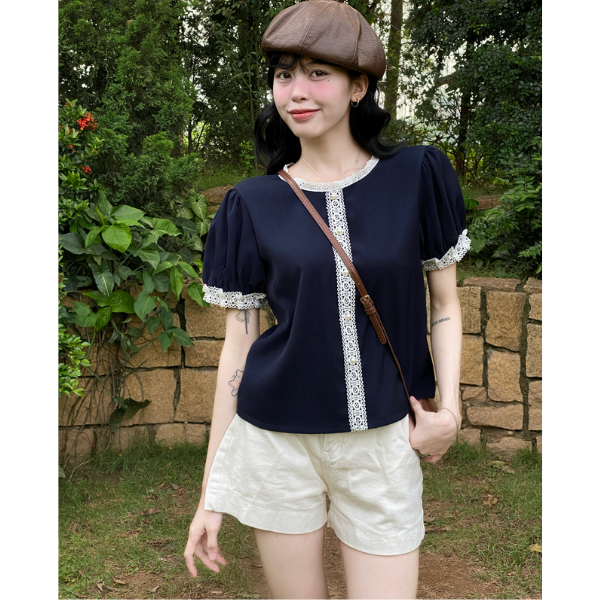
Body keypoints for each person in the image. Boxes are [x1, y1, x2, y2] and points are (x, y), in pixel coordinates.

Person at [184, 1, 469, 598]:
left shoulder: (416, 176)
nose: (296, 91)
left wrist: (450, 411)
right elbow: (239, 347)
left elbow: (443, 303)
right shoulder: (251, 204)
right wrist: (211, 491)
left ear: (358, 86)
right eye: (284, 74)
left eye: (318, 73)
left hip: (383, 441)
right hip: (276, 444)